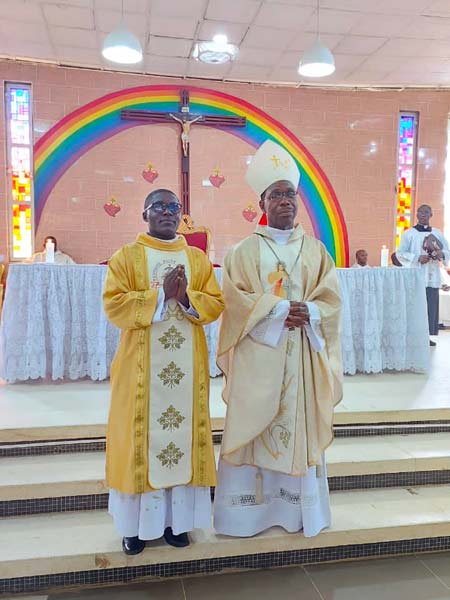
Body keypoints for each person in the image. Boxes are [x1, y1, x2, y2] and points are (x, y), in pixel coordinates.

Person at [213, 140, 342, 539]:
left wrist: (312, 313)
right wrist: (279, 311)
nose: (285, 201)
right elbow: (234, 301)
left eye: (291, 194)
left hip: (301, 356)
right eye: (276, 195)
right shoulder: (243, 252)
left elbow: (331, 299)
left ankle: (297, 512)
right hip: (259, 357)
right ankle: (246, 516)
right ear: (262, 203)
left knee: (297, 425)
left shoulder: (316, 251)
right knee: (255, 426)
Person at [103, 189, 224, 555]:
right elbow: (114, 305)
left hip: (186, 375)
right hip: (140, 374)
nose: (168, 212)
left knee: (182, 440)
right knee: (138, 441)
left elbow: (215, 303)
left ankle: (176, 524)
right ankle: (134, 528)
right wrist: (160, 296)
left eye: (174, 207)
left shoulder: (197, 259)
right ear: (145, 214)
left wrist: (185, 298)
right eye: (159, 206)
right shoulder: (127, 257)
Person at [397, 204, 450, 346]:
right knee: (415, 308)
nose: (423, 214)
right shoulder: (409, 233)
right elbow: (400, 254)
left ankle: (426, 337)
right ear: (417, 215)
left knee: (430, 308)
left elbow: (447, 252)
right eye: (421, 212)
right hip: (416, 276)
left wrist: (441, 254)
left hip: (432, 277)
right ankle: (412, 338)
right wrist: (417, 258)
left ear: (431, 215)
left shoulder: (437, 233)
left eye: (427, 212)